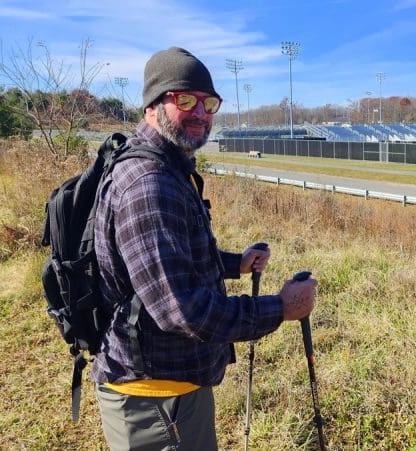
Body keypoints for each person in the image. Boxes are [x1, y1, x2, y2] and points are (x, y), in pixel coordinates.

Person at [93, 46, 317, 450]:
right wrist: (281, 307)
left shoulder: (167, 167)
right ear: (152, 106)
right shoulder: (148, 184)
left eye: (209, 103)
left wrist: (235, 264)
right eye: (185, 100)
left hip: (171, 386)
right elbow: (183, 311)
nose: (200, 112)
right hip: (155, 397)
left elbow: (168, 260)